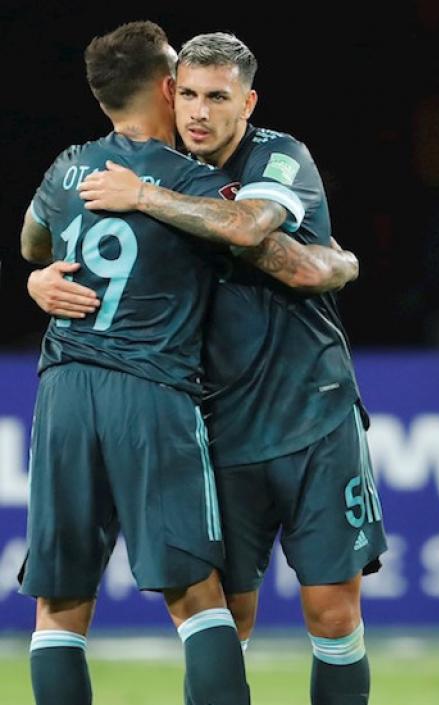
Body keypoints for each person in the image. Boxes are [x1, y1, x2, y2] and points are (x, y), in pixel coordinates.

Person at [74, 32, 384, 705]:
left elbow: (250, 229)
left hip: (314, 414)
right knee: (225, 620)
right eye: (187, 93)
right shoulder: (154, 167)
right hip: (212, 430)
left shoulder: (277, 155)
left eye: (217, 97)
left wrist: (150, 201)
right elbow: (70, 245)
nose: (199, 111)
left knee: (333, 611)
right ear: (170, 94)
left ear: (248, 103)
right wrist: (41, 280)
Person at [16, 20, 251, 705]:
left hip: (63, 392)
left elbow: (32, 242)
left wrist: (38, 278)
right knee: (197, 595)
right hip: (151, 392)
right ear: (168, 87)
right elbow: (251, 240)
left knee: (60, 603)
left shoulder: (67, 167)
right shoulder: (191, 181)